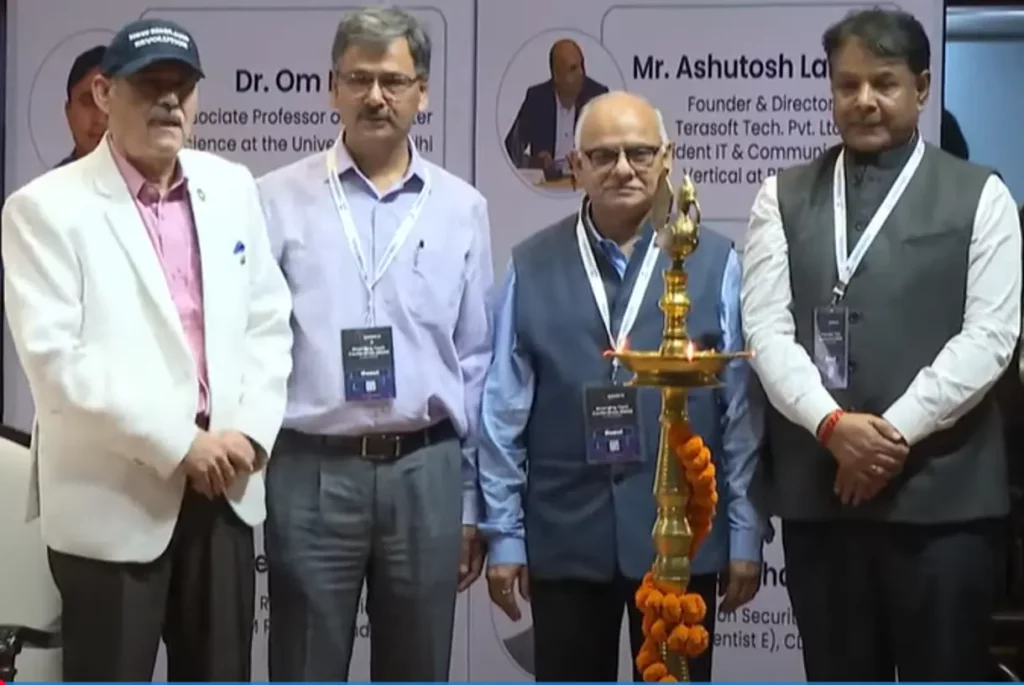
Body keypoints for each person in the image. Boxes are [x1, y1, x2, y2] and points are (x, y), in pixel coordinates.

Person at [1, 17, 294, 683]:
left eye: (182, 86)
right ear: (104, 93)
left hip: (224, 489)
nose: (169, 100)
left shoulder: (233, 186)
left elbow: (269, 324)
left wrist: (247, 432)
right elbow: (59, 365)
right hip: (112, 497)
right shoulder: (44, 209)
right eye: (149, 85)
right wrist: (179, 444)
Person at [741, 8, 1022, 681]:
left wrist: (887, 435)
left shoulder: (981, 194)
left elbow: (990, 337)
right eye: (847, 84)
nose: (864, 100)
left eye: (884, 83)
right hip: (823, 497)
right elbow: (766, 331)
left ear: (922, 88)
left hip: (944, 503)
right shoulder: (779, 197)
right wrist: (832, 424)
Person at [480, 91, 765, 682]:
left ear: (667, 160)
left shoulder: (715, 262)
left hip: (681, 541)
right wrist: (504, 537)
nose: (623, 168)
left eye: (639, 153)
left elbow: (740, 412)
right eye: (602, 155)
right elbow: (502, 413)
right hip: (565, 534)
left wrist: (745, 532)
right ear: (576, 167)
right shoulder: (529, 266)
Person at [257, 6, 493, 681]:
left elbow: (474, 362)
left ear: (423, 91)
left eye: (393, 80)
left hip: (426, 467)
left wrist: (471, 502)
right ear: (332, 88)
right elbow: (254, 344)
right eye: (358, 78)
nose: (375, 96)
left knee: (419, 667)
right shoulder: (274, 199)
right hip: (310, 467)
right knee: (304, 664)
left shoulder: (461, 207)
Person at [504, 39, 608, 173]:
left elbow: (609, 149)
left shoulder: (596, 95)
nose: (581, 73)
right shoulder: (537, 98)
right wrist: (533, 161)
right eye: (573, 69)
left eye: (582, 66)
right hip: (545, 188)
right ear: (556, 76)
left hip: (584, 184)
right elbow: (512, 149)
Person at [56, 45, 108, 167]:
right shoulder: (49, 185)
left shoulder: (154, 183)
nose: (100, 119)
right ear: (69, 113)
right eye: (87, 102)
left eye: (108, 101)